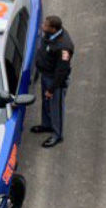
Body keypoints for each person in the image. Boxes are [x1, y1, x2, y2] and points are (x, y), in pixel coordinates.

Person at [30, 14, 74, 148]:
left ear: (53, 29)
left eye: (45, 25)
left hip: (55, 81)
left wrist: (52, 89)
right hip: (46, 74)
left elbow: (61, 71)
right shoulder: (50, 35)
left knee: (56, 108)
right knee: (46, 102)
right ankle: (47, 125)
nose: (43, 26)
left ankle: (57, 134)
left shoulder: (64, 47)